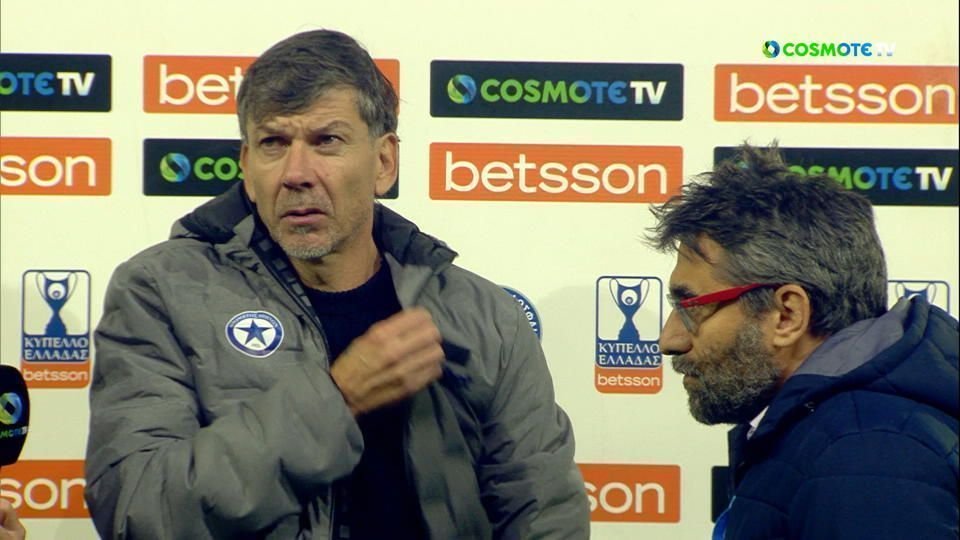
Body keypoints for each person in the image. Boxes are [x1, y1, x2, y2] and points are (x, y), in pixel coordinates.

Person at [84, 29, 589, 539]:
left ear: (384, 163)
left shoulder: (481, 314)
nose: (296, 173)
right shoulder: (160, 293)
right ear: (247, 168)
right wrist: (336, 400)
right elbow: (138, 509)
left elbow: (544, 514)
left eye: (326, 141)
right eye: (273, 144)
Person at [647, 144, 959, 539]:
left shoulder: (866, 456)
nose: (670, 340)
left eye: (692, 306)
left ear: (787, 315)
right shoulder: (835, 435)